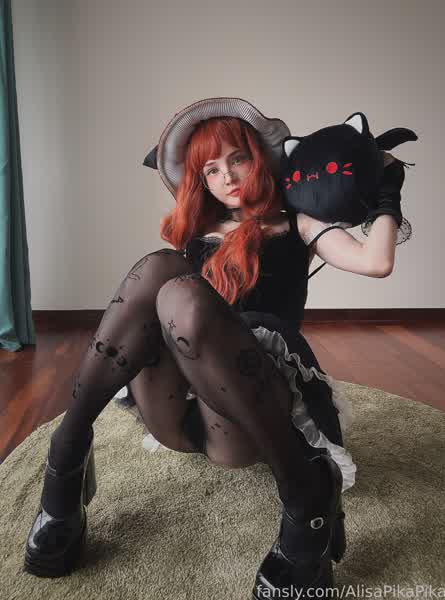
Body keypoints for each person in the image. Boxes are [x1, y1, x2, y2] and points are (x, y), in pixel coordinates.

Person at [23, 97, 405, 596]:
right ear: (200, 182)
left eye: (237, 159)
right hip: (178, 409)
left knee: (181, 291)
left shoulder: (298, 221)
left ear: (259, 159)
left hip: (250, 412)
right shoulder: (196, 235)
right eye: (211, 170)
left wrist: (388, 194)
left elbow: (376, 263)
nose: (227, 176)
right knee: (162, 270)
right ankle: (68, 452)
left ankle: (307, 491)